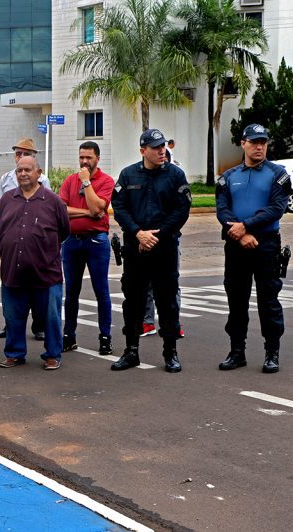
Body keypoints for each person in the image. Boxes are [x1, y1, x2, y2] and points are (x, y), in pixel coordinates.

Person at [110, 128, 191, 373]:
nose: (161, 151)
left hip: (164, 247)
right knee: (133, 301)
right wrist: (138, 233)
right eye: (155, 147)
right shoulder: (127, 174)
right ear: (143, 150)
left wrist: (158, 235)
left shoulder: (176, 175)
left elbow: (182, 209)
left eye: (163, 146)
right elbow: (119, 206)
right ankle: (131, 351)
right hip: (136, 248)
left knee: (167, 301)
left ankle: (170, 352)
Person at [216, 124, 290, 373]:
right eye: (254, 142)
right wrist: (239, 234)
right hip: (236, 246)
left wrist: (246, 226)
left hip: (266, 245)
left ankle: (272, 353)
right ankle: (237, 352)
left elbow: (277, 208)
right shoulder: (228, 176)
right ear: (243, 143)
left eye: (263, 142)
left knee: (268, 301)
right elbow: (222, 209)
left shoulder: (277, 173)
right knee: (236, 300)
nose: (259, 146)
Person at [0, 156, 70, 370]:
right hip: (13, 271)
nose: (23, 174)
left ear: (38, 173)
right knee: (12, 316)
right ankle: (15, 353)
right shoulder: (7, 200)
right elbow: (0, 229)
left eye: (28, 170)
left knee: (51, 317)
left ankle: (53, 355)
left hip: (46, 273)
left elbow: (64, 231)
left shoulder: (53, 201)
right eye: (19, 170)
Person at [58, 141, 115, 355]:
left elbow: (98, 206)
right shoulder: (69, 181)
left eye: (88, 157)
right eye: (81, 157)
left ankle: (105, 337)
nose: (84, 161)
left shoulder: (106, 181)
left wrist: (86, 183)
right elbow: (62, 210)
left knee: (102, 291)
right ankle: (69, 335)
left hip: (96, 241)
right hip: (72, 241)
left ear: (97, 159)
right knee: (71, 291)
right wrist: (87, 213)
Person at [0, 137, 51, 340]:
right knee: (11, 286)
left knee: (36, 287)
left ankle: (38, 326)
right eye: (17, 153)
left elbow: (51, 213)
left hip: (35, 242)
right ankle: (10, 326)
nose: (20, 157)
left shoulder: (43, 181)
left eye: (24, 153)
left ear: (33, 158)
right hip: (13, 238)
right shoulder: (6, 178)